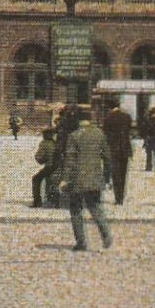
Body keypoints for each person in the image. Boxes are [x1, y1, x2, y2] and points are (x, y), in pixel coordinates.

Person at [60, 108, 113, 251]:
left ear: (78, 120)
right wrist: (107, 178)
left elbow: (70, 159)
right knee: (95, 207)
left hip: (77, 179)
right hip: (95, 177)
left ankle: (81, 242)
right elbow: (107, 157)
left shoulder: (74, 136)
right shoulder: (99, 134)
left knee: (76, 210)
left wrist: (64, 179)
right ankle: (106, 234)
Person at [102, 101, 133, 205]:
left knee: (115, 174)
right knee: (123, 173)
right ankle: (122, 197)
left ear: (110, 107)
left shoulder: (107, 118)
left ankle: (117, 198)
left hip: (113, 149)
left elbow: (105, 134)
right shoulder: (127, 117)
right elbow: (129, 131)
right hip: (124, 148)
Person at [30, 127, 58, 208]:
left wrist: (39, 158)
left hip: (50, 167)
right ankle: (53, 200)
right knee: (51, 181)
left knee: (36, 179)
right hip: (59, 166)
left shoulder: (44, 143)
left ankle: (37, 201)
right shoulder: (57, 142)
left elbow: (40, 158)